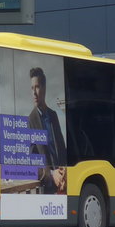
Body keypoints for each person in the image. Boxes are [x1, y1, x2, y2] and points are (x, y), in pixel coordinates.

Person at [29, 67, 67, 195]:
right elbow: (30, 162)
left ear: (44, 88)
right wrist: (52, 174)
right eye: (32, 88)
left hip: (62, 183)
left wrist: (64, 171)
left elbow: (62, 148)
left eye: (37, 87)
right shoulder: (30, 120)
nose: (34, 92)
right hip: (46, 187)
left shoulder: (53, 115)